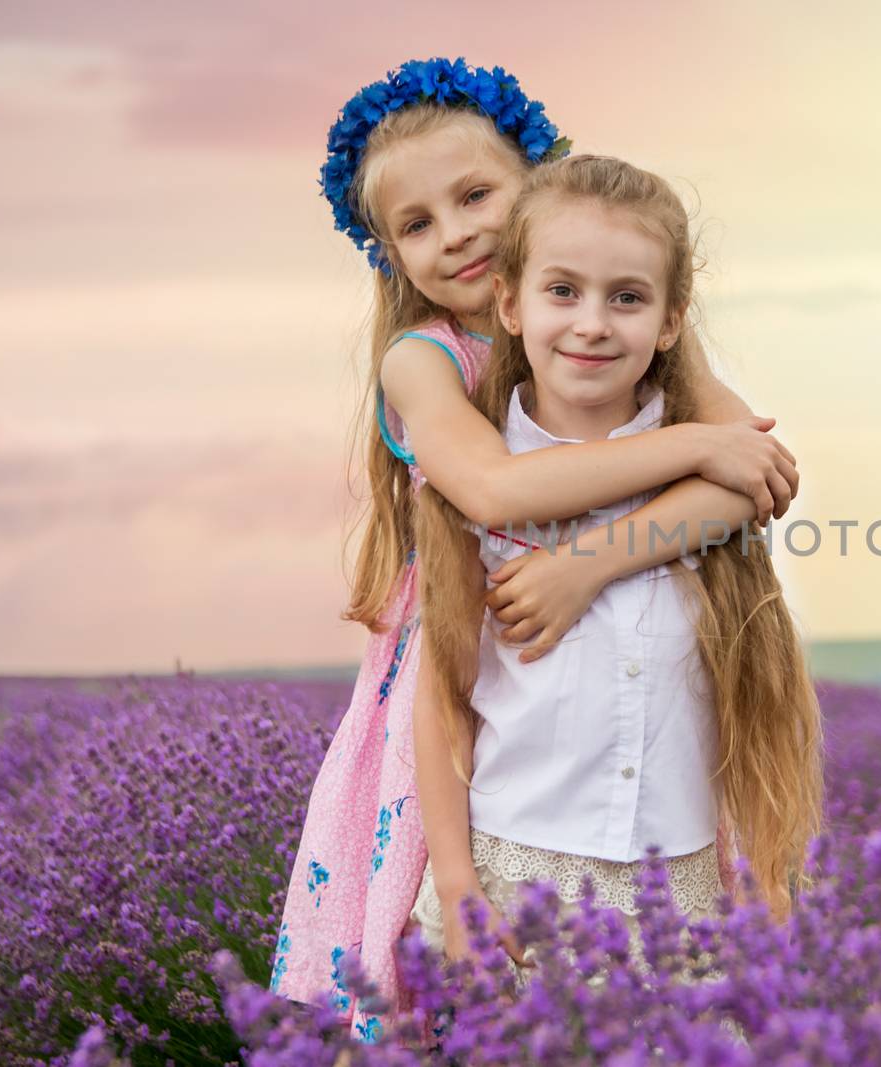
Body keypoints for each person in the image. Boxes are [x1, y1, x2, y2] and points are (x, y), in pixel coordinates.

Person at [271, 58, 801, 1040]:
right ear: (388, 254)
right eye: (417, 223)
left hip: (585, 643)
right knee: (432, 950)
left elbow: (753, 474)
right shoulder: (426, 357)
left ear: (536, 182)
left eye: (475, 194)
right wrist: (689, 443)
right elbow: (495, 489)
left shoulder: (610, 322)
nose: (457, 231)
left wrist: (588, 564)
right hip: (470, 649)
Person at [406, 154, 825, 992]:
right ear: (510, 304)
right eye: (562, 291)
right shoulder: (476, 487)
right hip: (514, 890)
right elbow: (442, 699)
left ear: (671, 323)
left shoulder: (714, 486)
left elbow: (755, 689)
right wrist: (456, 891)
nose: (592, 323)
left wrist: (770, 877)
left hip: (680, 902)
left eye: (626, 298)